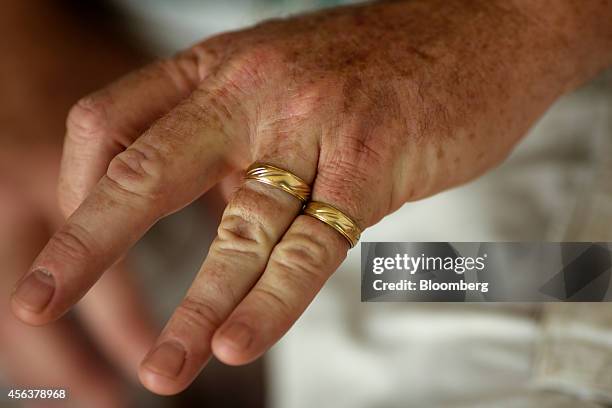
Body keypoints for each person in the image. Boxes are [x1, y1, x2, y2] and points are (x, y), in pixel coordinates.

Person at [6, 0, 612, 405]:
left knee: (562, 286)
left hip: (530, 89)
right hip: (138, 68)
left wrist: (523, 26)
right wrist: (23, 47)